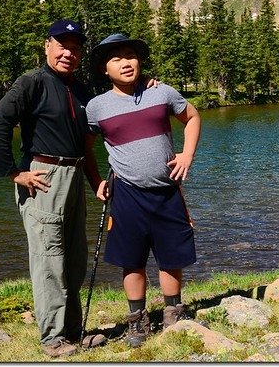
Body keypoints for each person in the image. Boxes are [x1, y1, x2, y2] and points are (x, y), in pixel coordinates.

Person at [0, 19, 104, 358]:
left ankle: (73, 331)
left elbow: (92, 137)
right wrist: (13, 173)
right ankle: (52, 339)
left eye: (76, 48)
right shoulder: (32, 83)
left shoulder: (80, 90)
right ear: (47, 46)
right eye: (62, 45)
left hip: (75, 175)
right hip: (43, 177)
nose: (69, 53)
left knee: (74, 257)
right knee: (49, 258)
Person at [86, 33, 201, 348]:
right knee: (131, 260)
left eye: (130, 56)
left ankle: (174, 313)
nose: (125, 63)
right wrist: (96, 182)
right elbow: (85, 149)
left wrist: (187, 154)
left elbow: (191, 117)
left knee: (171, 254)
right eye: (116, 58)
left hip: (166, 191)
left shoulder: (161, 92)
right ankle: (138, 323)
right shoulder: (96, 107)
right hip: (127, 194)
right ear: (104, 69)